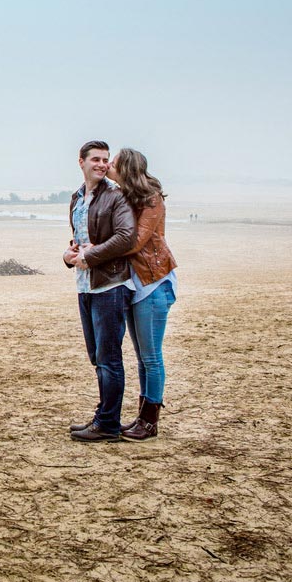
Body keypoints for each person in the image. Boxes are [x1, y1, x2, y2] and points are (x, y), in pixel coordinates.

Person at [63, 140, 138, 442]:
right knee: (97, 356)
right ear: (80, 162)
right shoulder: (77, 197)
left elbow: (125, 237)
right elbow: (80, 240)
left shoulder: (116, 197)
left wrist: (90, 256)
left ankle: (108, 424)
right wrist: (69, 256)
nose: (102, 164)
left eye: (105, 160)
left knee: (109, 358)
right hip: (86, 286)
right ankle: (103, 415)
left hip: (111, 285)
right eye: (95, 159)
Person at [109, 148, 177, 442]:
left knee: (151, 357)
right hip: (135, 284)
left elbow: (135, 242)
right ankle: (141, 417)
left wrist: (96, 253)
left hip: (153, 281)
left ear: (127, 168)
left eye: (114, 162)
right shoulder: (125, 196)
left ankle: (150, 422)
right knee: (141, 356)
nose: (108, 165)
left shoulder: (151, 199)